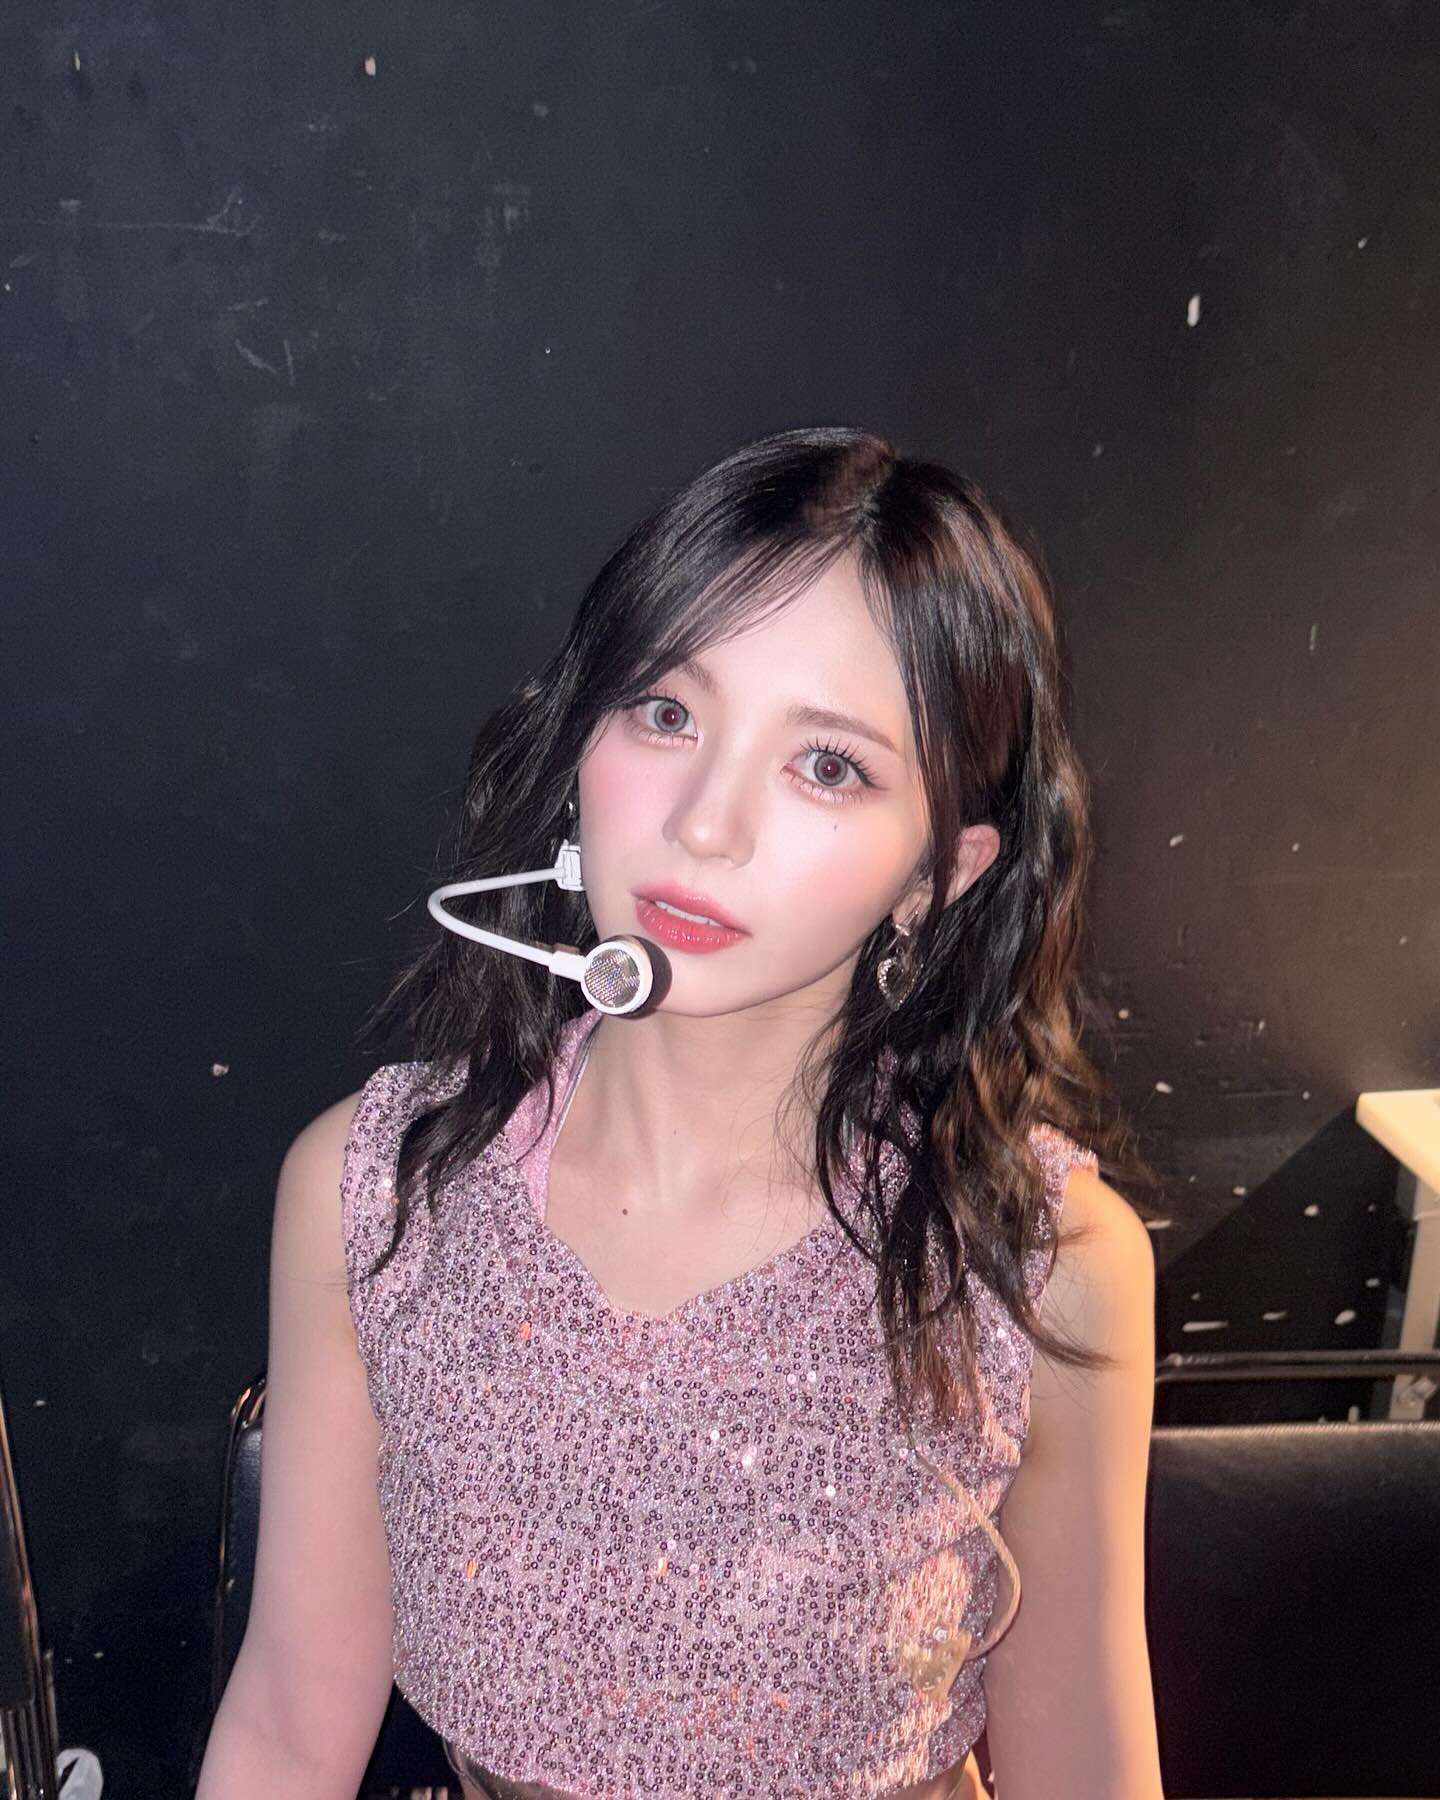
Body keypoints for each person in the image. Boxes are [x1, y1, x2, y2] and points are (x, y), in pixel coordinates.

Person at [196, 426, 1166, 1800]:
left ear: (937, 876)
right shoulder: (378, 1189)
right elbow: (293, 1724)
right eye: (666, 713)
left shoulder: (1042, 1263)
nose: (706, 824)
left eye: (828, 765)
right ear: (579, 740)